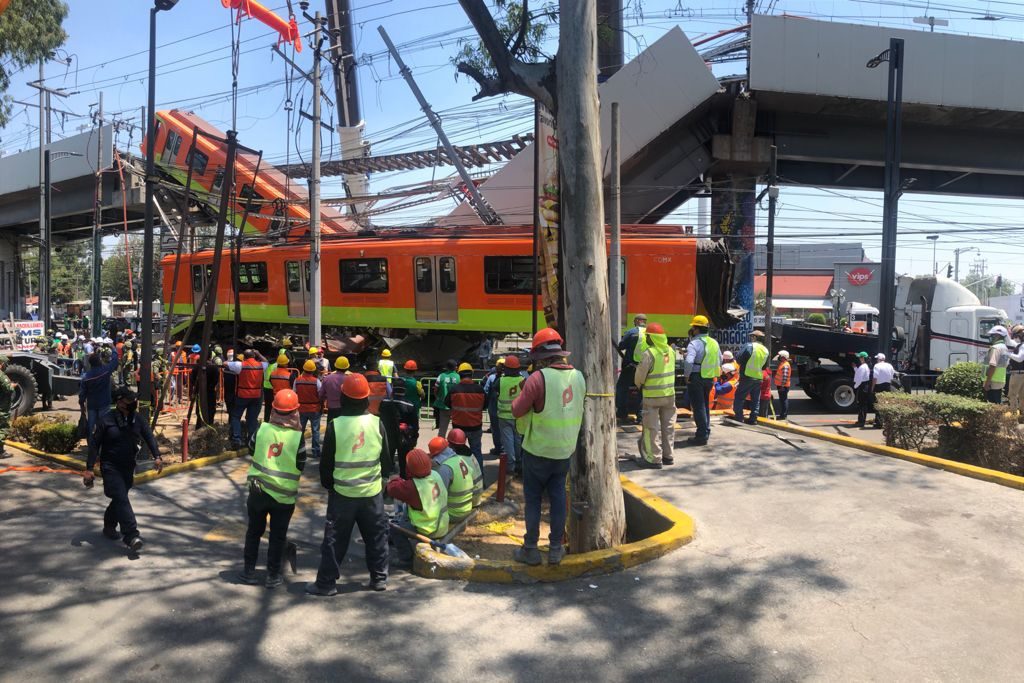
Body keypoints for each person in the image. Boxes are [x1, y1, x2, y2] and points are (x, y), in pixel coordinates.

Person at [307, 374, 390, 596]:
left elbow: (326, 463)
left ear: (343, 397)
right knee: (376, 536)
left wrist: (329, 485)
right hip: (372, 494)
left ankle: (326, 584)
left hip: (343, 494)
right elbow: (386, 459)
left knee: (335, 540)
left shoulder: (337, 425)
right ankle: (379, 578)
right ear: (366, 399)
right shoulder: (376, 422)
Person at [511, 328, 586, 566]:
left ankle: (531, 549)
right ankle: (555, 549)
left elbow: (517, 410)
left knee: (533, 500)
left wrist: (523, 391)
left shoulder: (538, 378)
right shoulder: (579, 377)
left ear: (541, 357)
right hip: (564, 450)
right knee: (557, 499)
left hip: (537, 451)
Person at [239, 389, 306, 589]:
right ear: (295, 412)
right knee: (277, 537)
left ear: (273, 409)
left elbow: (251, 448)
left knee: (253, 532)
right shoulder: (297, 437)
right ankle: (273, 576)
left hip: (258, 492)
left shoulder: (262, 429)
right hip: (283, 498)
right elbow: (301, 463)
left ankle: (248, 571)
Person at [83, 387, 164, 552]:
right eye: (129, 400)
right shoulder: (106, 420)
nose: (134, 403)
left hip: (128, 466)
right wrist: (89, 468)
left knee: (120, 499)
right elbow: (94, 445)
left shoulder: (137, 419)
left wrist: (157, 456)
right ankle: (131, 535)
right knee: (120, 496)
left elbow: (149, 436)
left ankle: (109, 525)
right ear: (120, 402)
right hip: (110, 466)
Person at [385, 448, 449, 568]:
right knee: (406, 511)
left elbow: (391, 489)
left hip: (428, 529)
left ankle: (406, 559)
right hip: (442, 523)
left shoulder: (413, 487)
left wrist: (395, 478)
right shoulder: (435, 474)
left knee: (395, 528)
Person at [633, 322, 677, 469]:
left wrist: (638, 385)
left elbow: (640, 376)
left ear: (651, 338)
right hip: (669, 396)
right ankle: (668, 456)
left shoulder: (649, 353)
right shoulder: (670, 351)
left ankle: (653, 459)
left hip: (652, 397)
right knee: (668, 427)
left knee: (651, 428)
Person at [683, 315, 721, 446]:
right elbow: (720, 359)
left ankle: (701, 435)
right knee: (704, 405)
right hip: (709, 378)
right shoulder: (714, 342)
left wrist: (686, 376)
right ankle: (706, 431)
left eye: (693, 327)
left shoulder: (694, 343)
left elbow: (689, 361)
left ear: (696, 329)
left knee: (698, 407)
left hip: (696, 377)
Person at [429, 433, 481, 519]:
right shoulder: (459, 459)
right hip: (467, 507)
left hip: (453, 513)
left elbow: (438, 495)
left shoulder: (444, 468)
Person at [225, 349, 269, 450]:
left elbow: (225, 363)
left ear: (244, 357)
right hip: (256, 396)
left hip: (243, 395)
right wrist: (258, 353)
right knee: (252, 419)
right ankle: (252, 441)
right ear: (254, 356)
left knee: (235, 417)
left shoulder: (240, 365)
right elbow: (266, 361)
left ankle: (237, 439)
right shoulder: (261, 365)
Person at [446, 362, 487, 468]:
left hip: (458, 428)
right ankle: (480, 477)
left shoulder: (454, 390)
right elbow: (485, 405)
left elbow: (447, 403)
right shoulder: (480, 390)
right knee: (476, 452)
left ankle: (460, 479)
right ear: (472, 374)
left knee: (458, 454)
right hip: (475, 427)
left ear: (459, 374)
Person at [79, 344, 120, 438]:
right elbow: (114, 360)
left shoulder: (86, 377)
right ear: (100, 361)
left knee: (91, 426)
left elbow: (82, 394)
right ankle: (102, 446)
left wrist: (82, 405)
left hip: (92, 405)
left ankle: (91, 447)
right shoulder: (106, 371)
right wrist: (113, 348)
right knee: (104, 425)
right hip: (104, 404)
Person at [382, 379, 420, 478]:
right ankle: (404, 481)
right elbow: (415, 426)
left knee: (386, 463)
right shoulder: (410, 405)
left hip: (388, 437)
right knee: (404, 464)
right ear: (405, 391)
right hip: (404, 437)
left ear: (392, 390)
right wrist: (414, 438)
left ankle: (385, 484)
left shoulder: (384, 402)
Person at [495, 355, 526, 476]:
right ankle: (518, 464)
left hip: (504, 416)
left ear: (506, 368)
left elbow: (494, 389)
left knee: (508, 441)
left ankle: (510, 466)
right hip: (519, 416)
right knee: (518, 441)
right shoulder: (523, 381)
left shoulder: (501, 380)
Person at [733, 330, 769, 424]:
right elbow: (764, 367)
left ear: (755, 337)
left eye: (752, 336)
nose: (750, 338)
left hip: (747, 376)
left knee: (739, 397)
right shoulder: (765, 350)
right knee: (755, 399)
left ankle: (739, 417)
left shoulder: (749, 346)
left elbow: (738, 358)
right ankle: (753, 419)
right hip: (758, 377)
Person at [616, 314, 647, 422]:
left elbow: (621, 346)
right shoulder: (649, 333)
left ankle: (622, 413)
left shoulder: (632, 332)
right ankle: (641, 417)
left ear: (637, 321)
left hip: (630, 366)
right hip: (644, 368)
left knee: (622, 388)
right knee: (642, 391)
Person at [294, 360, 323, 461]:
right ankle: (315, 451)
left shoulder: (297, 380)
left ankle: (298, 449)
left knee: (300, 430)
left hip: (301, 409)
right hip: (314, 409)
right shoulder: (317, 381)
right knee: (315, 431)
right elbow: (321, 395)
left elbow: (294, 393)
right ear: (313, 370)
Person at [447, 428, 484, 507]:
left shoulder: (457, 460)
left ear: (450, 444)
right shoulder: (470, 454)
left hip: (469, 501)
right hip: (477, 496)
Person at [482, 357, 505, 455]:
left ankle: (498, 448)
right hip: (508, 411)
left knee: (496, 430)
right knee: (507, 431)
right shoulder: (515, 379)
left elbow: (485, 391)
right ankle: (505, 450)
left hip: (494, 409)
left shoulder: (491, 378)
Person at [983, 325, 1011, 405]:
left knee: (992, 404)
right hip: (1000, 379)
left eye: (992, 335)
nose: (990, 337)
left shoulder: (995, 348)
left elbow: (992, 365)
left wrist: (987, 382)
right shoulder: (1004, 347)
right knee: (997, 403)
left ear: (997, 336)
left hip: (992, 381)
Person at [433, 359, 460, 436]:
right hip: (455, 407)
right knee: (457, 430)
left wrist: (438, 397)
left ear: (446, 367)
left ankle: (440, 445)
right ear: (455, 367)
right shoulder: (458, 377)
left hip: (443, 406)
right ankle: (456, 443)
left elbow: (435, 389)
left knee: (442, 430)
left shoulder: (441, 376)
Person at [319, 356, 350, 421]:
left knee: (331, 429)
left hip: (332, 409)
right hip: (345, 409)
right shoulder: (350, 379)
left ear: (335, 366)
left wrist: (321, 406)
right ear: (347, 368)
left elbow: (321, 395)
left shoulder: (327, 378)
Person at [871, 352, 896, 427]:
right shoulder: (889, 365)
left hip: (879, 386)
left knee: (878, 404)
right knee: (886, 403)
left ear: (878, 359)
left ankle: (878, 422)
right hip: (887, 385)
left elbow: (875, 378)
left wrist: (872, 388)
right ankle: (887, 421)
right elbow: (892, 376)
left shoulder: (877, 366)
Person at [1006, 325, 1024, 419]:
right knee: (1022, 396)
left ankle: (1013, 417)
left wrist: (1008, 354)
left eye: (1016, 336)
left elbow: (1020, 359)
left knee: (1012, 395)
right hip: (1022, 374)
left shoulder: (1022, 346)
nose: (1015, 338)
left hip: (1017, 374)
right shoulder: (1020, 345)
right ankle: (1022, 418)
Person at [853, 351, 873, 428]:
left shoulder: (862, 367)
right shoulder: (865, 366)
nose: (859, 359)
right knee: (863, 404)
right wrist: (855, 368)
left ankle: (861, 421)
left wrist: (855, 386)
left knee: (861, 404)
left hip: (862, 386)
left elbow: (859, 379)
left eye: (860, 357)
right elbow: (859, 373)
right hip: (865, 386)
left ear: (863, 358)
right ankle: (861, 420)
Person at [0, 356, 13, 459]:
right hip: (2, 407)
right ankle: (0, 452)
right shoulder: (1, 375)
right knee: (3, 428)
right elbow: (8, 389)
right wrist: (12, 386)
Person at [773, 349, 792, 420]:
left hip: (783, 386)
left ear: (783, 357)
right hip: (781, 385)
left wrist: (782, 386)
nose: (779, 357)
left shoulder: (785, 365)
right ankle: (783, 414)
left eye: (780, 356)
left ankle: (783, 415)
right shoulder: (783, 364)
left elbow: (785, 377)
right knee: (782, 400)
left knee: (783, 400)